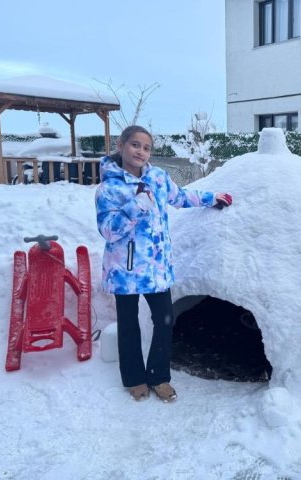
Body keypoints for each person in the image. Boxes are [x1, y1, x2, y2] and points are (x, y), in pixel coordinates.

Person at [96, 125, 233, 403]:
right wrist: (136, 206)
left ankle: (159, 376)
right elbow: (108, 230)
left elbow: (180, 196)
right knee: (129, 324)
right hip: (126, 269)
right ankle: (134, 378)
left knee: (165, 320)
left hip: (156, 267)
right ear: (121, 145)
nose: (141, 152)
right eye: (135, 145)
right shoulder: (107, 189)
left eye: (146, 148)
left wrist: (211, 198)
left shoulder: (158, 178)